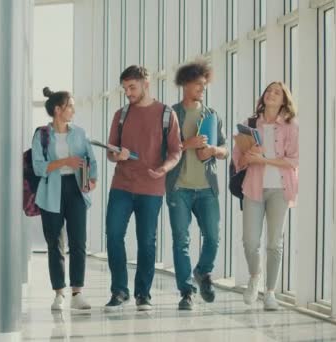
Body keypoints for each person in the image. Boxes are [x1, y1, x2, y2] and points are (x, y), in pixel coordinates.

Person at [104, 65, 182, 311]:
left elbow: (175, 151)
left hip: (151, 188)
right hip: (122, 185)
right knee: (114, 236)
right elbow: (110, 151)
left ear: (146, 83)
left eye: (132, 87)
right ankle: (119, 291)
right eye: (125, 88)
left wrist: (165, 168)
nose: (128, 92)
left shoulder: (166, 114)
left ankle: (143, 294)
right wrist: (118, 155)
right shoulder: (121, 114)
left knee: (146, 241)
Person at [166, 61, 229, 310]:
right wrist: (185, 145)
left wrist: (214, 150)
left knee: (213, 238)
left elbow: (225, 150)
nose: (202, 88)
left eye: (205, 84)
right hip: (178, 188)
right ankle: (186, 292)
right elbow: (162, 151)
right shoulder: (170, 115)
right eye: (197, 84)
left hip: (206, 189)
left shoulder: (212, 115)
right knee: (181, 240)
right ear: (184, 84)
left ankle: (203, 272)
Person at [232, 81, 299, 311]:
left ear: (284, 100)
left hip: (280, 190)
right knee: (250, 241)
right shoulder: (249, 124)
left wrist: (264, 160)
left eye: (277, 92)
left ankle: (270, 293)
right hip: (253, 187)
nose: (271, 94)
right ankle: (254, 276)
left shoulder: (291, 127)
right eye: (268, 91)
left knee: (274, 243)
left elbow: (293, 161)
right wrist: (248, 157)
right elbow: (238, 162)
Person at [32, 87, 98, 311]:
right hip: (51, 189)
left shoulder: (79, 133)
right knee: (55, 243)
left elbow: (91, 159)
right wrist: (65, 161)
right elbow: (39, 168)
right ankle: (59, 293)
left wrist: (93, 180)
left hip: (77, 189)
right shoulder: (41, 135)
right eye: (70, 106)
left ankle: (77, 292)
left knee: (78, 241)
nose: (73, 110)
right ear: (58, 109)